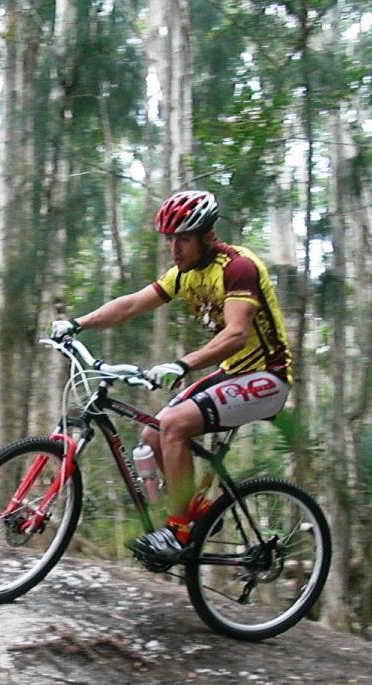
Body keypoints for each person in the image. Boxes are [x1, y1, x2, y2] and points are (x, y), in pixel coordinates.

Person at [50, 190, 293, 566]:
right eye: (169, 239)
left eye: (182, 239)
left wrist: (182, 364)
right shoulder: (184, 274)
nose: (174, 248)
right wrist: (77, 324)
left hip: (267, 377)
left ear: (207, 236)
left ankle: (179, 532)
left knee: (175, 425)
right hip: (232, 374)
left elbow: (236, 335)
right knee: (152, 432)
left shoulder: (238, 267)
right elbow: (131, 304)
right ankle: (196, 514)